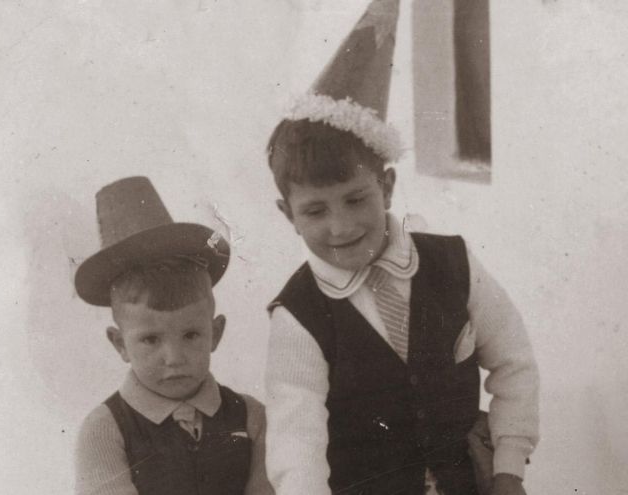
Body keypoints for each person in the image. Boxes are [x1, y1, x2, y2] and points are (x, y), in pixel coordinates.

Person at [263, 1, 539, 494]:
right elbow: (295, 443)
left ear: (387, 188)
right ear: (288, 215)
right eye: (315, 211)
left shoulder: (452, 263)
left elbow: (514, 360)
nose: (341, 226)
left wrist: (508, 469)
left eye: (356, 199)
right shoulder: (298, 315)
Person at [73, 176, 273, 495]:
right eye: (151, 339)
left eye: (191, 334)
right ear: (119, 343)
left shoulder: (253, 417)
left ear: (216, 332)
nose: (174, 358)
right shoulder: (105, 430)